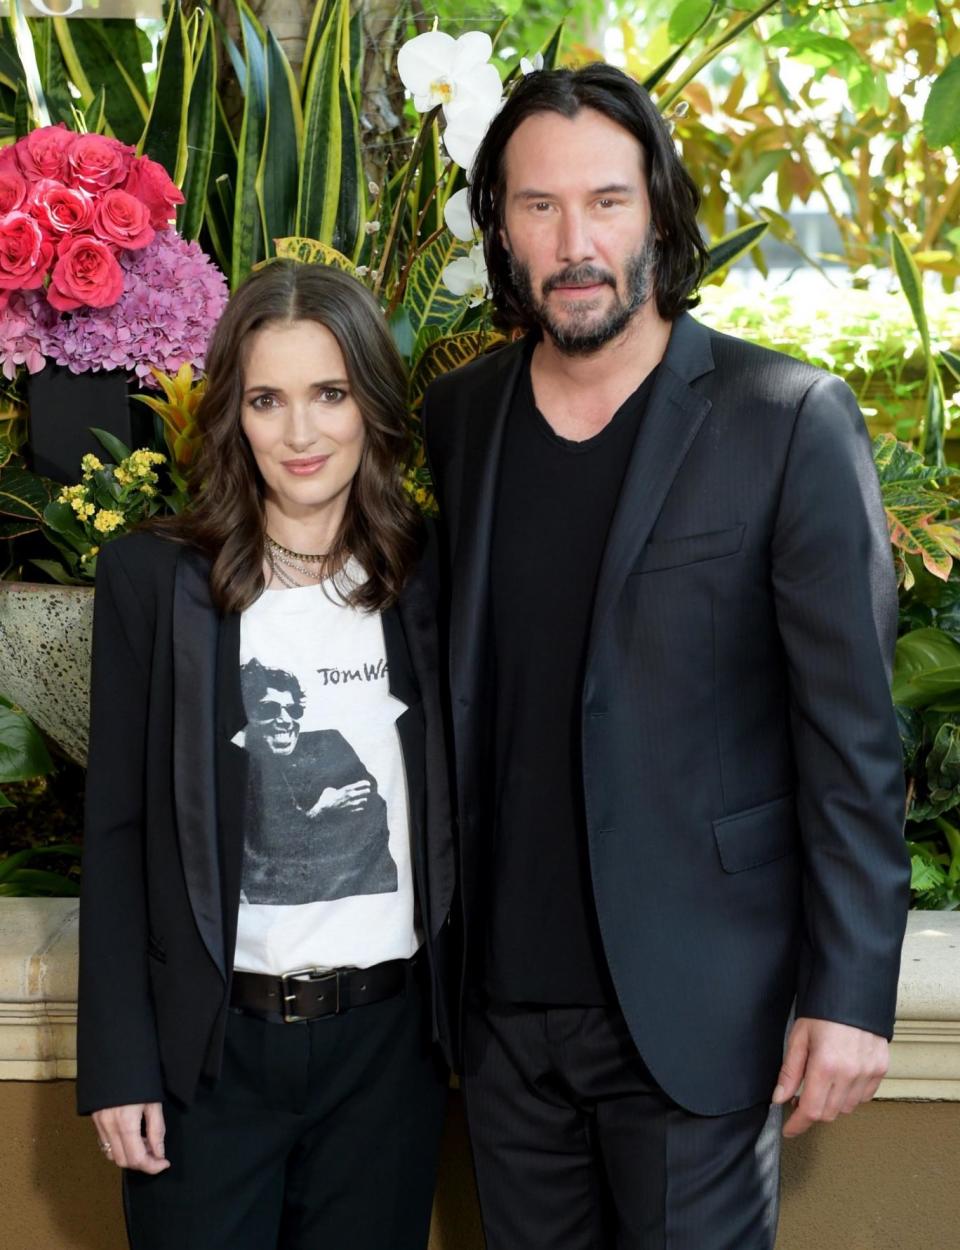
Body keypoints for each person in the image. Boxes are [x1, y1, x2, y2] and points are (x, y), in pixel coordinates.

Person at [421, 64, 910, 1250]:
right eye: (539, 206)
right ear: (500, 224)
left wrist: (848, 996)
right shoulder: (465, 416)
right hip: (500, 1019)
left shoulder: (786, 417)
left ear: (659, 210)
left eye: (608, 201)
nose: (575, 240)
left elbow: (851, 738)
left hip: (697, 1009)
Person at [77, 260, 454, 1250]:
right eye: (267, 399)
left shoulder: (430, 579)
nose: (301, 433)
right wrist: (120, 1064)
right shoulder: (155, 581)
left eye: (329, 394)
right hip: (209, 1055)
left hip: (388, 1047)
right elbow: (115, 829)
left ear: (369, 402)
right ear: (231, 415)